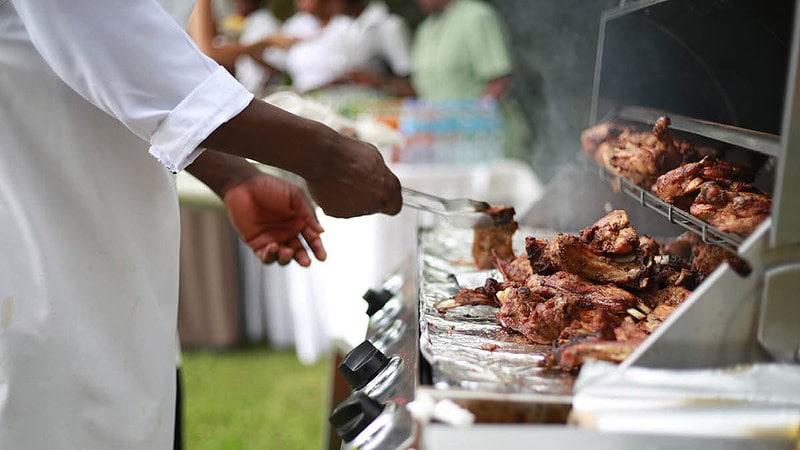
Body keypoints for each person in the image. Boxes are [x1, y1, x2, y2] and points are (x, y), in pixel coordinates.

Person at [0, 1, 401, 450]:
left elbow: (107, 80)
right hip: (37, 270)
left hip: (118, 264)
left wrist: (234, 175)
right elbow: (125, 53)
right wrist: (327, 157)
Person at [412, 0, 513, 100]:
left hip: (478, 114)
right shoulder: (424, 29)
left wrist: (476, 112)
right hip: (436, 114)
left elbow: (499, 80)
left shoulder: (476, 16)